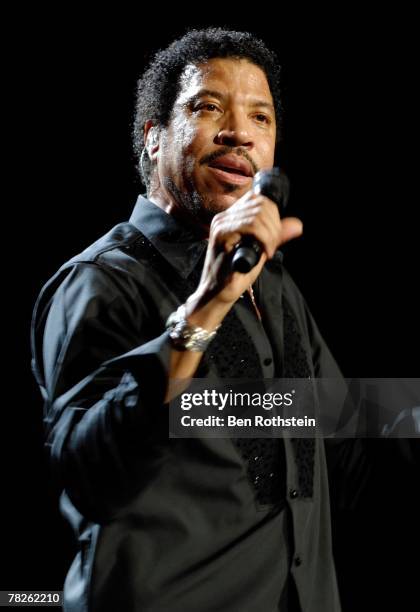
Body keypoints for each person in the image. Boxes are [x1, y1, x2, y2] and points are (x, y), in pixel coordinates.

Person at [31, 28, 361, 612]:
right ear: (154, 138)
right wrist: (206, 307)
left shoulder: (274, 284)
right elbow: (89, 473)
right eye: (209, 108)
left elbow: (346, 431)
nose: (240, 133)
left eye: (261, 118)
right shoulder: (101, 282)